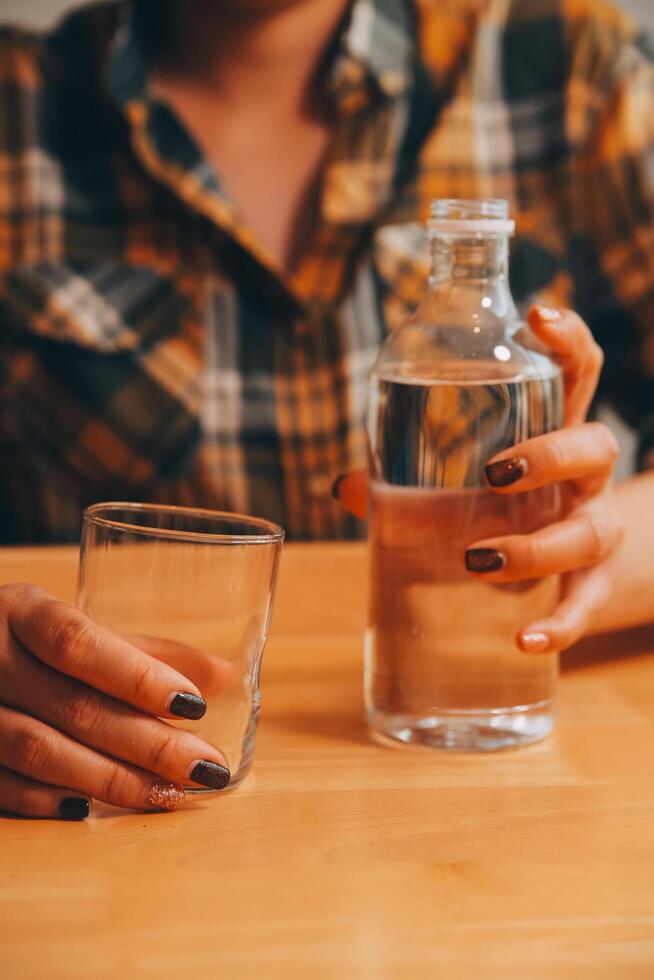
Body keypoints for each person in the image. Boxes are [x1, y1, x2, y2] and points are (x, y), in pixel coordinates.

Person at [0, 0, 652, 818]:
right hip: (116, 787)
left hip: (472, 796)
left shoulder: (573, 75)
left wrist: (604, 549)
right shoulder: (17, 106)